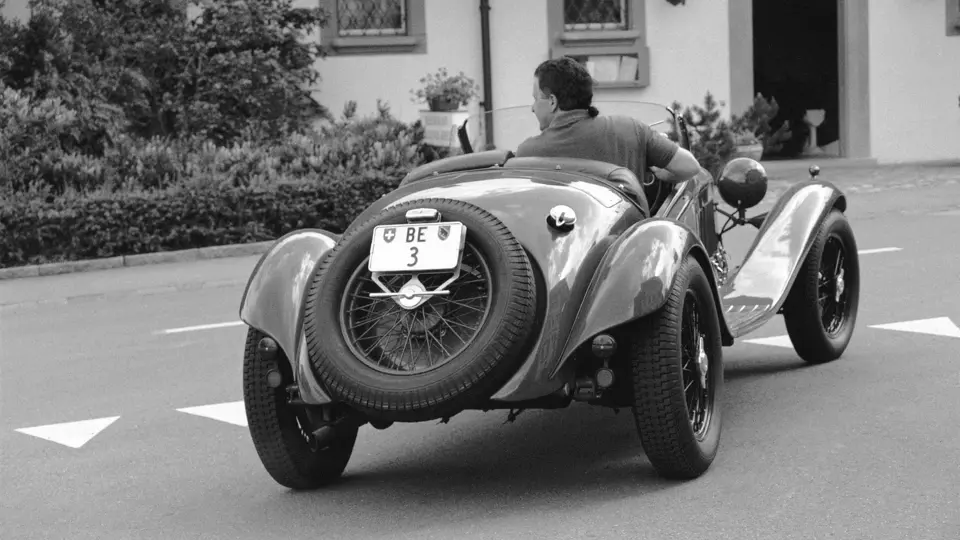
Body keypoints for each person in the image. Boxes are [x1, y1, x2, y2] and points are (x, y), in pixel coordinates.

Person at [516, 56, 701, 185]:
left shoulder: (528, 153)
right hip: (626, 238)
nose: (532, 108)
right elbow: (689, 167)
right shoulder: (630, 129)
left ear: (552, 101)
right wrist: (663, 175)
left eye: (535, 99)